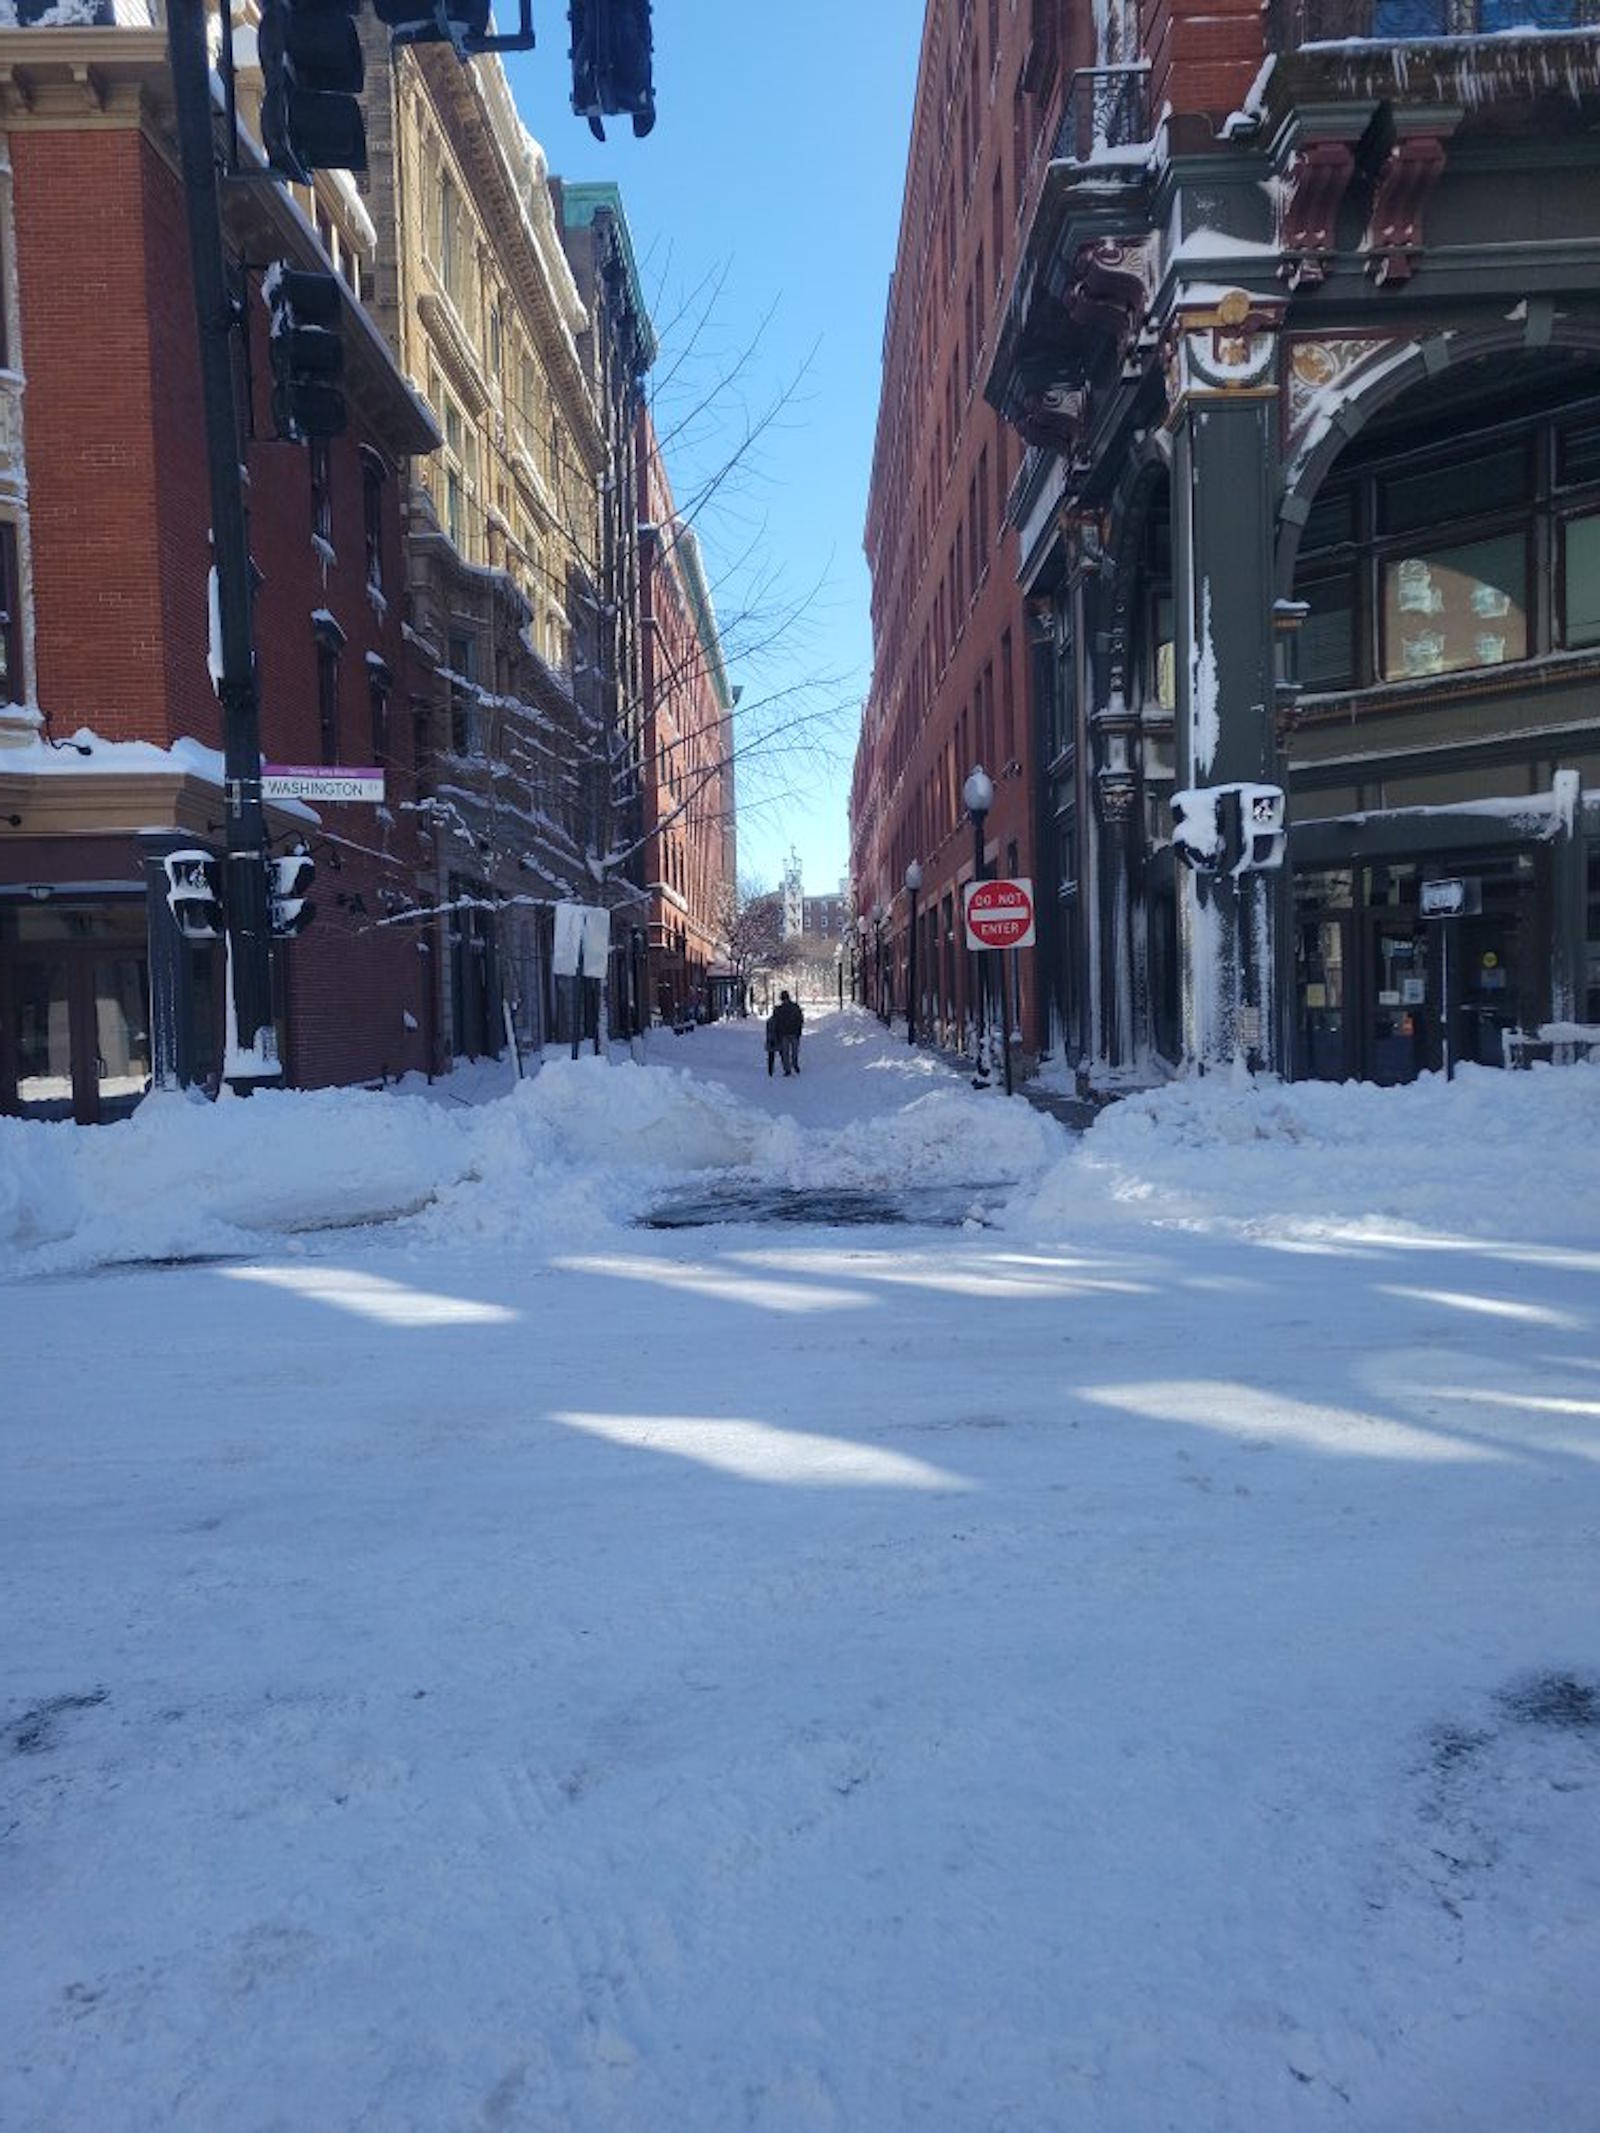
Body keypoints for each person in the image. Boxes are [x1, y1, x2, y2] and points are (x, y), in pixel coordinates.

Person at [772, 989, 804, 1076]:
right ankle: (795, 1064)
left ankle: (787, 1069)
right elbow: (800, 1019)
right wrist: (799, 1030)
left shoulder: (778, 1009)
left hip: (783, 1034)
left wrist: (777, 1034)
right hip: (794, 1032)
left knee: (785, 1053)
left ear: (781, 999)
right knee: (794, 1051)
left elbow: (775, 1022)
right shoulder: (795, 1007)